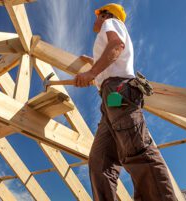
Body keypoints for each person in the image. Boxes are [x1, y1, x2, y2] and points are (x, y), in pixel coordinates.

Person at [74, 3, 178, 201]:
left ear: (105, 15)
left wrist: (91, 72)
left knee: (137, 151)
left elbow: (116, 47)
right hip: (109, 101)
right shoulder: (107, 31)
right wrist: (92, 62)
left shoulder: (111, 22)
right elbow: (111, 56)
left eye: (97, 15)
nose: (95, 19)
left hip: (118, 93)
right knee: (99, 163)